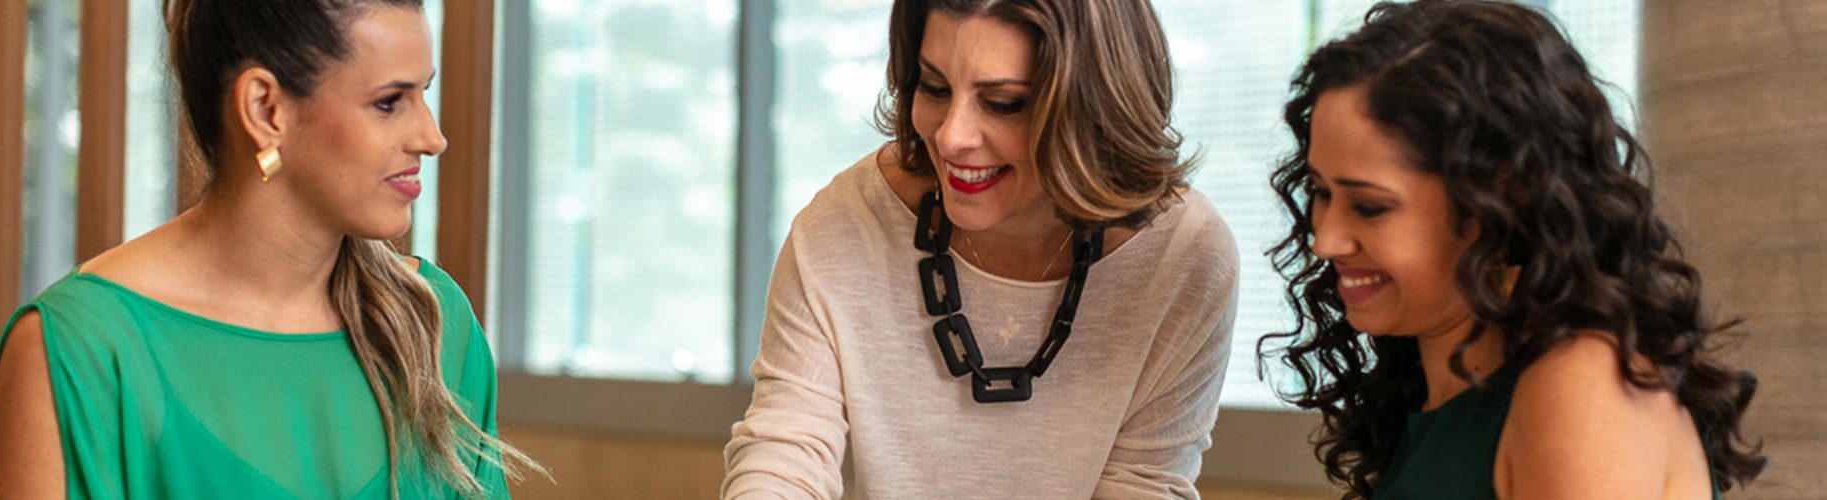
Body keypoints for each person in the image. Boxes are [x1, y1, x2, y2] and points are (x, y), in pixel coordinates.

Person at [0, 0, 540, 497]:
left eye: (424, 94)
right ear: (266, 109)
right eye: (390, 102)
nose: (432, 138)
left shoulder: (434, 324)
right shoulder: (80, 351)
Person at [722, 0, 1238, 497]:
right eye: (935, 87)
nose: (952, 137)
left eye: (1003, 103)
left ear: (1095, 108)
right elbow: (785, 453)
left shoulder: (1184, 255)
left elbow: (1143, 484)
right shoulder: (843, 225)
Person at [1261, 1, 1767, 498]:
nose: (1325, 240)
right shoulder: (1433, 378)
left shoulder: (1581, 385)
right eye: (1321, 192)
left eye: (1370, 207)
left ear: (1505, 197)